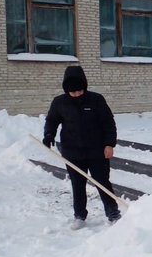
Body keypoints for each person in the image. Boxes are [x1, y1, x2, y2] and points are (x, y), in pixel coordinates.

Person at [43, 66, 121, 229]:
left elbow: (108, 123)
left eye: (80, 91)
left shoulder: (96, 99)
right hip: (72, 152)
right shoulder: (59, 102)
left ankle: (113, 212)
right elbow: (52, 120)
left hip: (97, 151)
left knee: (102, 182)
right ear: (66, 91)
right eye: (73, 92)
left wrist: (109, 144)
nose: (77, 94)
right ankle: (79, 215)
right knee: (78, 185)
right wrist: (49, 135)